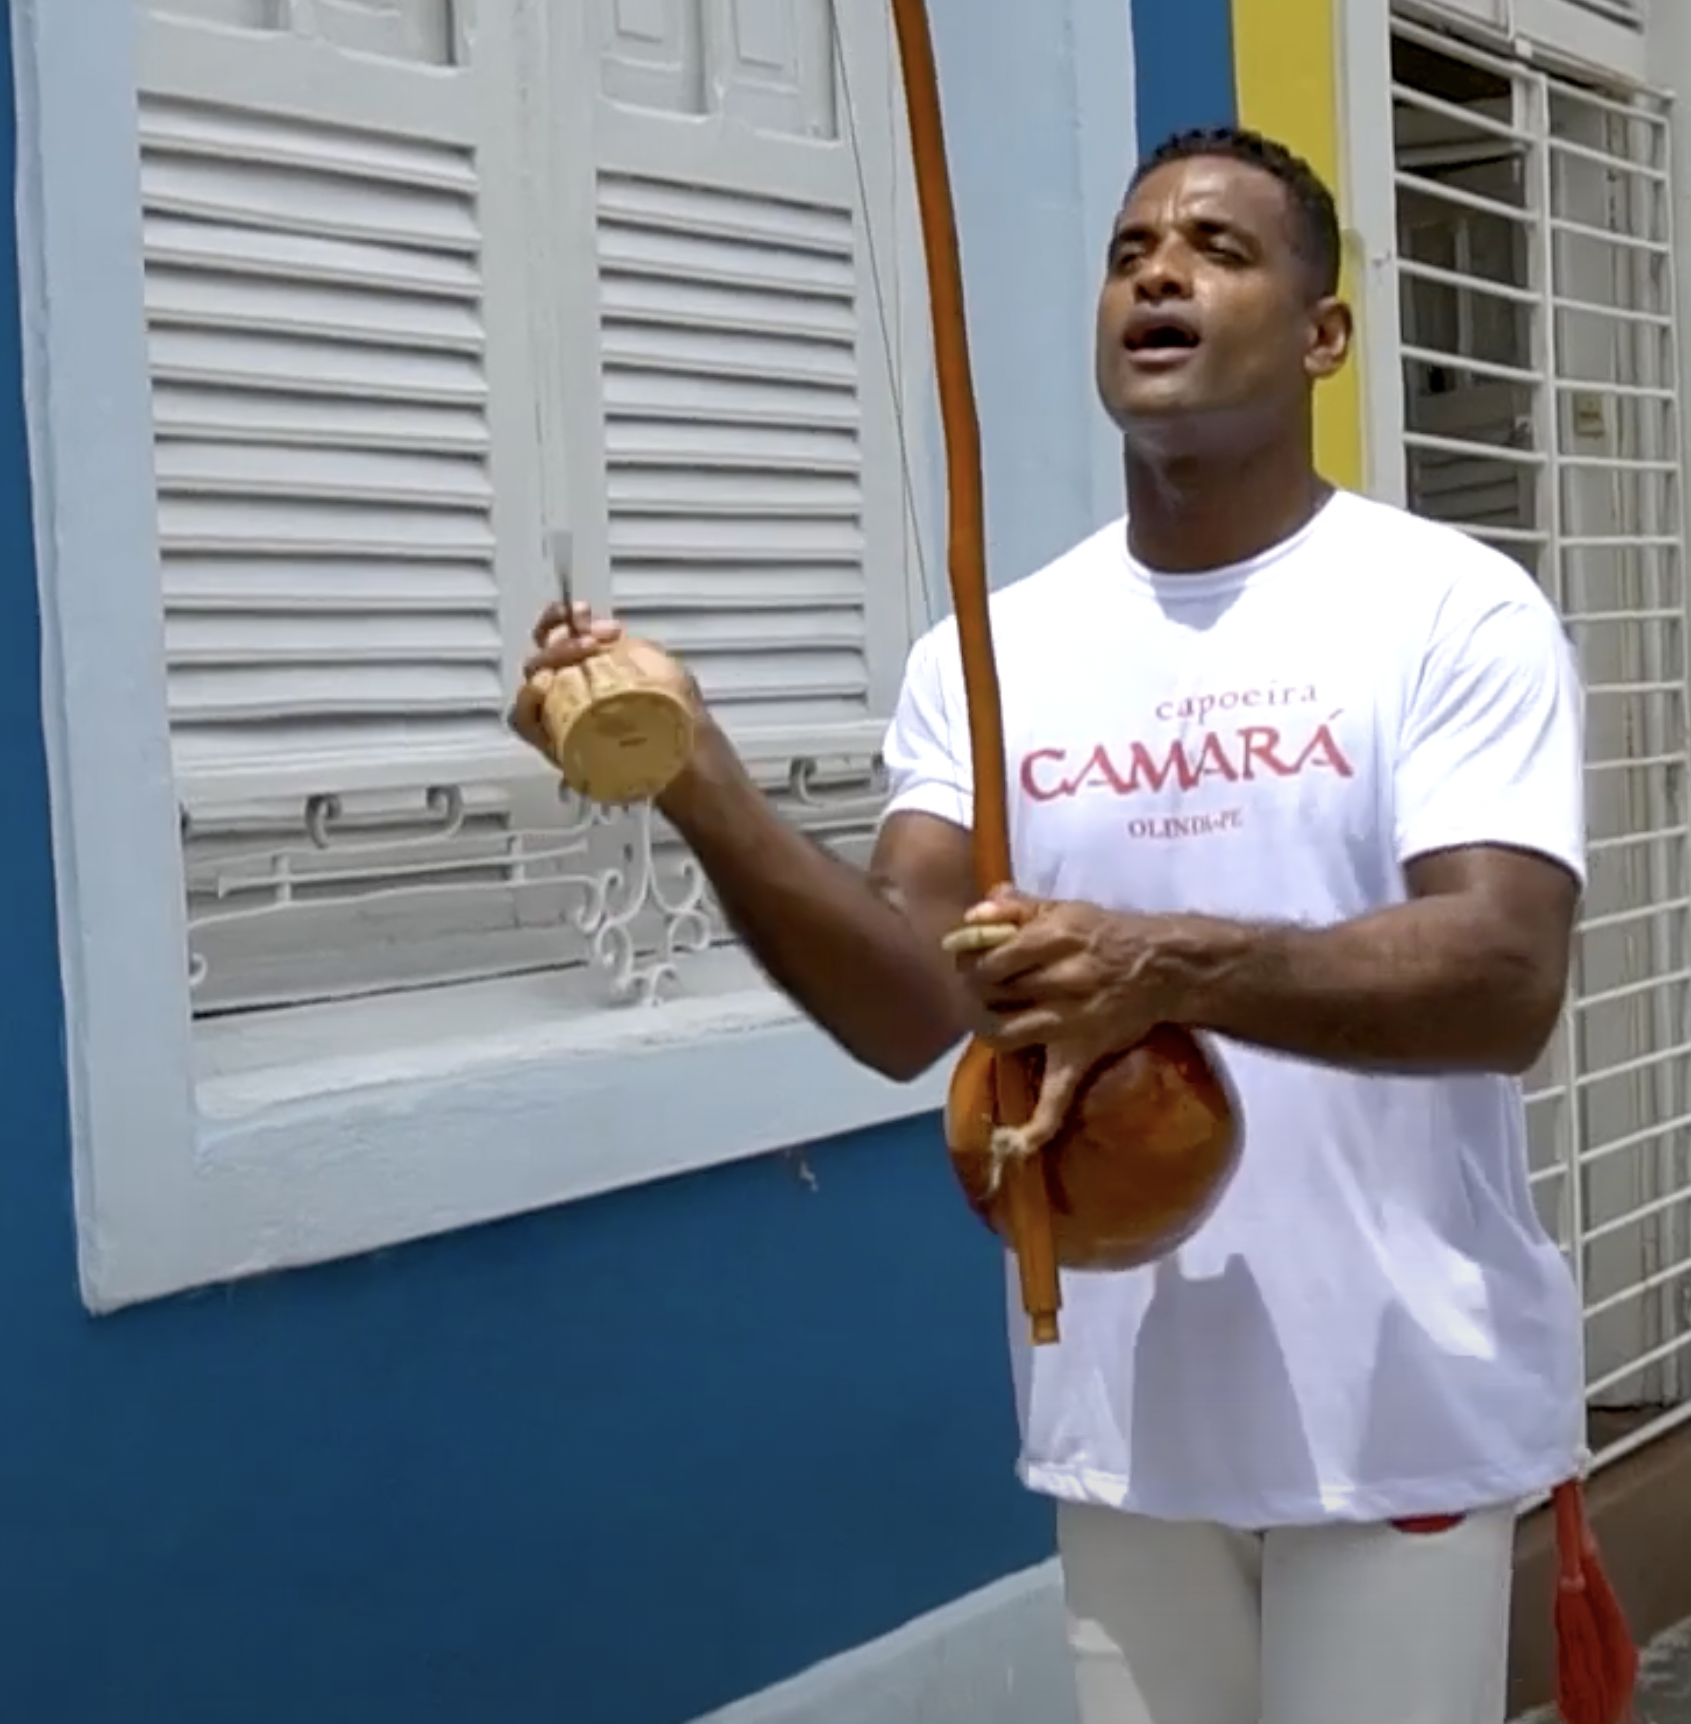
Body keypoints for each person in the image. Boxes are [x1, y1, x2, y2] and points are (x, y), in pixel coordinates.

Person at [512, 128, 1597, 1724]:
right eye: (1130, 249)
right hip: (1120, 1415)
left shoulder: (1447, 608)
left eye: (1220, 249)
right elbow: (901, 1007)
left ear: (1324, 335)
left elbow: (1500, 980)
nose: (1158, 270)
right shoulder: (993, 653)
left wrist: (1161, 963)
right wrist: (697, 781)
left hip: (1397, 1410)